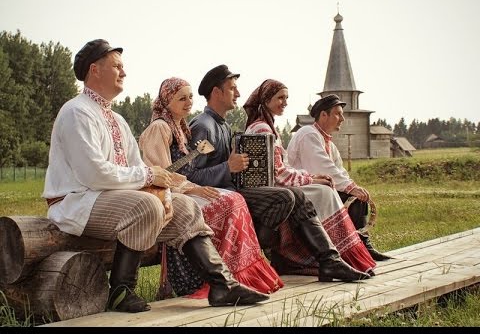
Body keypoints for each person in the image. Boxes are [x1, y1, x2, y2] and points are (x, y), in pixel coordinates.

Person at [42, 39, 269, 313]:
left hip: (108, 199)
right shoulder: (76, 112)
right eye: (117, 66)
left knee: (184, 207)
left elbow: (138, 169)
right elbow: (94, 174)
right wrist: (150, 176)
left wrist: (162, 189)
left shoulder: (117, 119)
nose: (124, 72)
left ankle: (222, 285)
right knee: (146, 205)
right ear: (95, 69)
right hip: (77, 202)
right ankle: (120, 291)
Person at [187, 64, 370, 282]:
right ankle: (283, 255)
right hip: (223, 195)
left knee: (298, 195)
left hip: (235, 189)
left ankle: (329, 262)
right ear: (216, 92)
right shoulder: (204, 126)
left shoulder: (223, 126)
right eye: (232, 88)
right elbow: (190, 175)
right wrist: (227, 167)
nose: (238, 94)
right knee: (287, 196)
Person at [138, 76, 284, 297]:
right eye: (181, 99)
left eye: (189, 98)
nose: (188, 103)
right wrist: (193, 188)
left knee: (234, 199)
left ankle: (236, 275)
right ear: (167, 101)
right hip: (169, 194)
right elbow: (160, 174)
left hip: (184, 189)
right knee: (229, 202)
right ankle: (217, 279)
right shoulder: (159, 127)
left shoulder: (181, 127)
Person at [243, 79, 376, 276]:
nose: (285, 102)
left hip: (280, 184)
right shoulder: (263, 128)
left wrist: (312, 178)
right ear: (266, 99)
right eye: (280, 98)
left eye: (286, 98)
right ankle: (337, 256)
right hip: (269, 189)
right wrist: (310, 179)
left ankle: (340, 255)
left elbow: (284, 168)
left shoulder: (270, 127)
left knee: (326, 190)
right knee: (323, 192)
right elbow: (278, 173)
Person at [287, 94, 392, 261]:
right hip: (303, 189)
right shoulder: (308, 133)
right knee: (353, 195)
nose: (342, 119)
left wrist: (353, 187)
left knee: (357, 199)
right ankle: (351, 249)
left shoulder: (329, 143)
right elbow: (323, 167)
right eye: (337, 114)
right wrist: (351, 188)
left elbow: (340, 171)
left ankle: (361, 244)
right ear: (323, 115)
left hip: (319, 187)